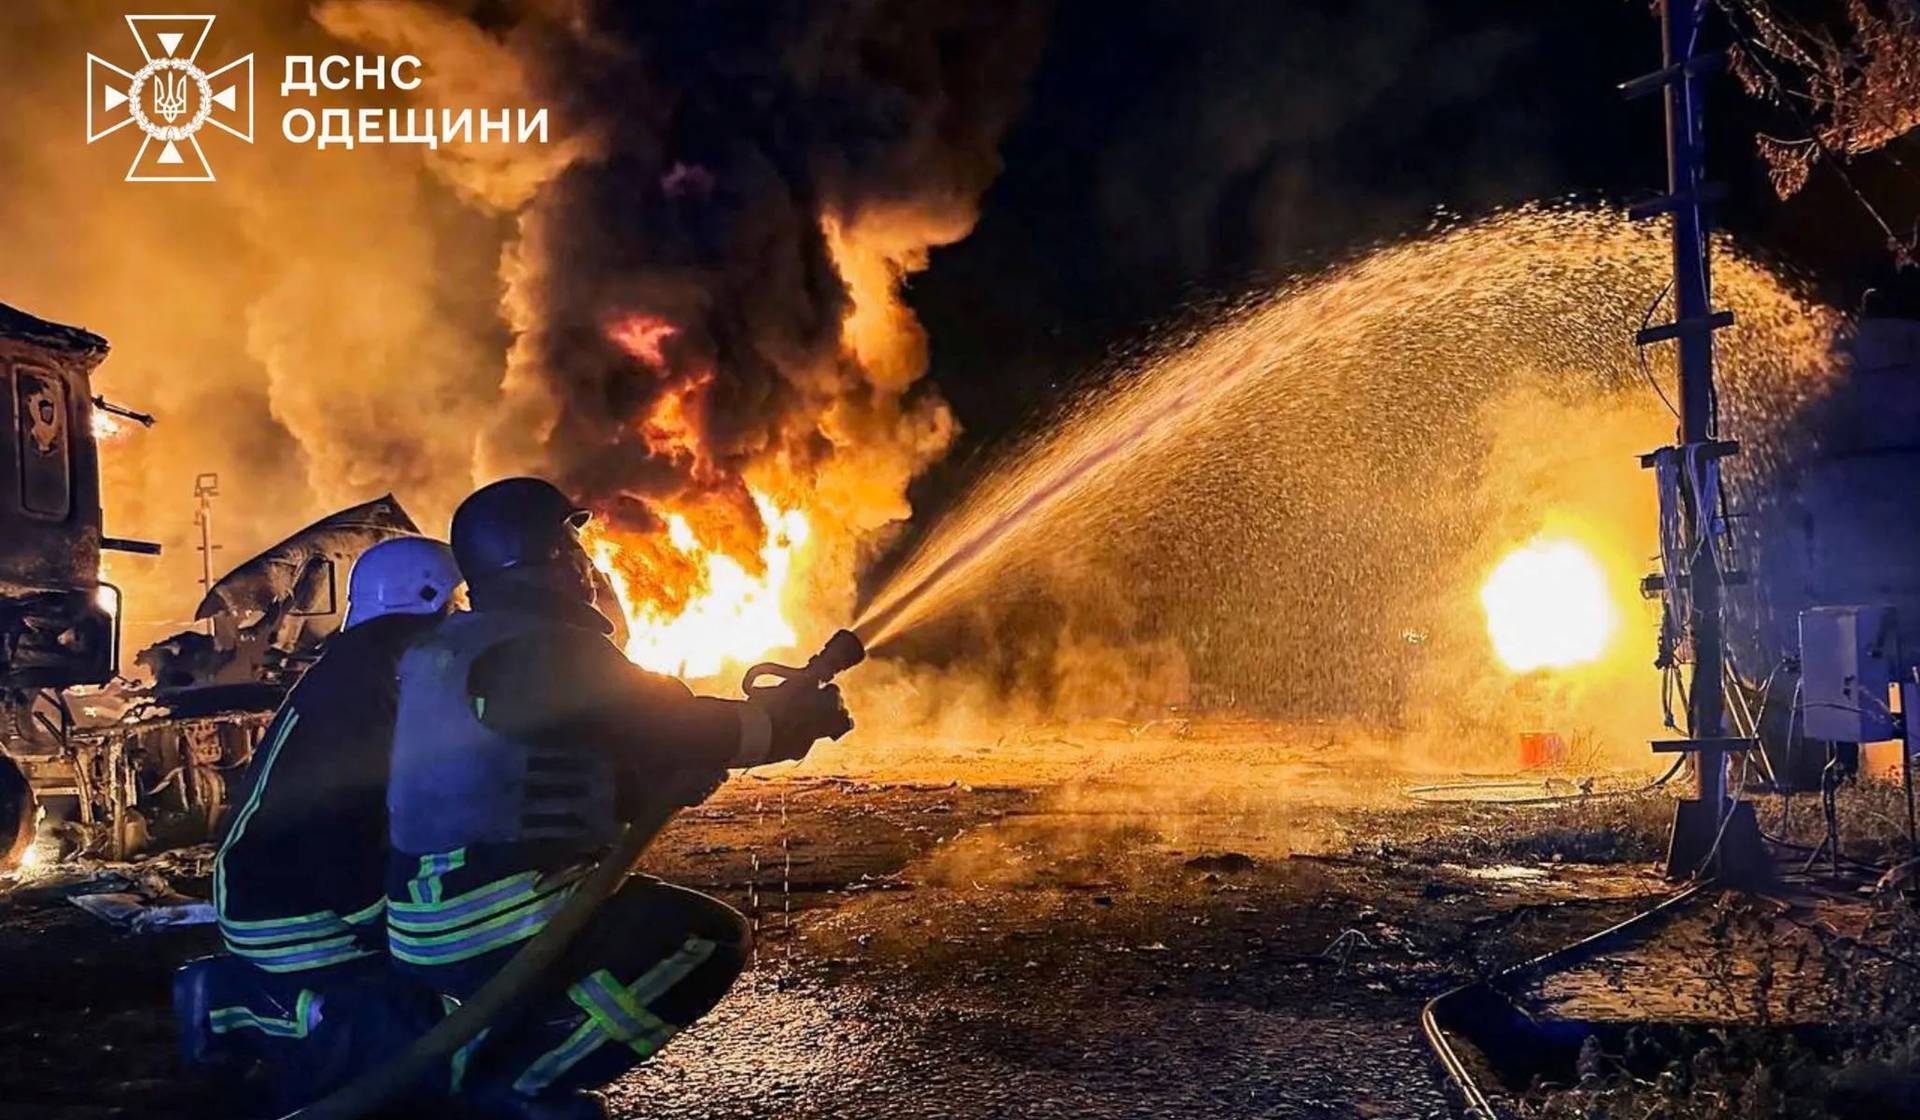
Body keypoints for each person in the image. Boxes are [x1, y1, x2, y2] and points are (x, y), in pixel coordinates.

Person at [385, 477, 852, 1119]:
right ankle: (520, 1088)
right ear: (542, 557)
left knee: (627, 924)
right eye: (571, 544)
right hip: (494, 908)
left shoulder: (457, 644)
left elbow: (570, 754)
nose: (586, 561)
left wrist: (661, 775)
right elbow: (672, 720)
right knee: (706, 939)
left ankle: (495, 1054)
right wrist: (783, 725)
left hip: (425, 908)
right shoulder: (547, 647)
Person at [173, 535, 464, 1111]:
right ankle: (233, 1002)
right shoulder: (366, 688)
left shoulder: (373, 669)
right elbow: (338, 824)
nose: (461, 612)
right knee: (397, 1028)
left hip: (303, 888)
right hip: (283, 908)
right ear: (428, 601)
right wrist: (380, 922)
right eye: (455, 600)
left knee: (422, 1004)